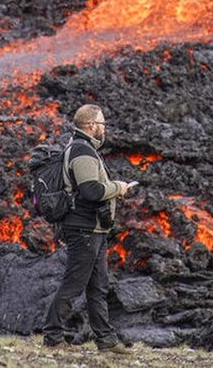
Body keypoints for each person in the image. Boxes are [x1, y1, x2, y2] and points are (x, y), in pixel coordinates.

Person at [42, 103, 138, 354]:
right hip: (83, 229)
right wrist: (119, 187)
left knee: (98, 287)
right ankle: (52, 337)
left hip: (94, 229)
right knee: (74, 284)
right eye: (103, 123)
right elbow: (91, 191)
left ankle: (106, 341)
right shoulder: (82, 151)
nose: (105, 129)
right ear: (92, 126)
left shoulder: (85, 149)